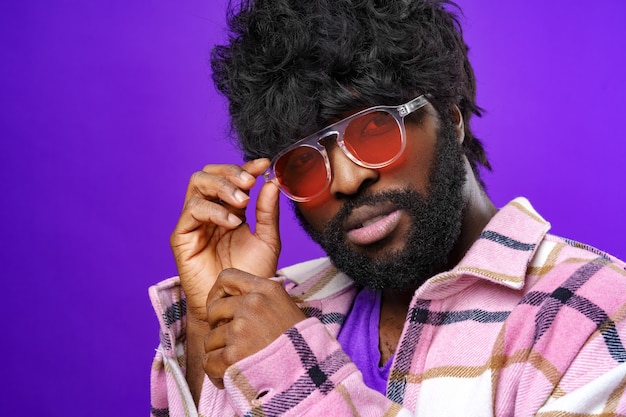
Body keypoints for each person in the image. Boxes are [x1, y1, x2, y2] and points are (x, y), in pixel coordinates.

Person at [149, 0, 626, 416]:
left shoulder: (591, 314)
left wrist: (294, 374)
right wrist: (212, 314)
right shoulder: (281, 311)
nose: (349, 180)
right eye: (304, 160)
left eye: (374, 129)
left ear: (451, 118)